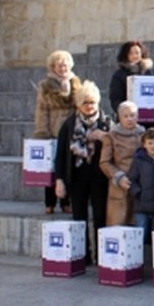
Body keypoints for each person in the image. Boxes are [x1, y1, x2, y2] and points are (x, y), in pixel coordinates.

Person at [54, 81, 111, 264]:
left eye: (92, 102)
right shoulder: (69, 124)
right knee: (79, 217)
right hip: (77, 177)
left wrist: (106, 138)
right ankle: (83, 255)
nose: (89, 106)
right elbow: (61, 154)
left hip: (100, 178)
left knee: (101, 217)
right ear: (78, 104)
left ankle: (102, 256)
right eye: (85, 102)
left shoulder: (106, 122)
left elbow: (117, 147)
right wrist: (59, 180)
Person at [34, 50, 79, 214]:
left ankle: (66, 202)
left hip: (71, 130)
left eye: (65, 65)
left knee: (69, 167)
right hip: (53, 129)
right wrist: (42, 131)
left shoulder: (75, 83)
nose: (62, 68)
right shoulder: (46, 85)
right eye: (59, 65)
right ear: (53, 67)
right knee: (51, 168)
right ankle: (50, 202)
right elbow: (42, 110)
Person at [99, 101, 145, 226]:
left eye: (132, 115)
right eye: (126, 116)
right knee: (118, 227)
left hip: (139, 185)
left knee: (137, 228)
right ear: (119, 117)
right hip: (119, 185)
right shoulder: (112, 136)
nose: (129, 119)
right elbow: (104, 162)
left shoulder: (144, 135)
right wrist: (118, 177)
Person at [108, 40, 153, 116]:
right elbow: (115, 97)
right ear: (126, 55)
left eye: (137, 53)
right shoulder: (119, 74)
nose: (135, 56)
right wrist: (124, 111)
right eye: (131, 53)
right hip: (128, 117)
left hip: (149, 115)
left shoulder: (150, 72)